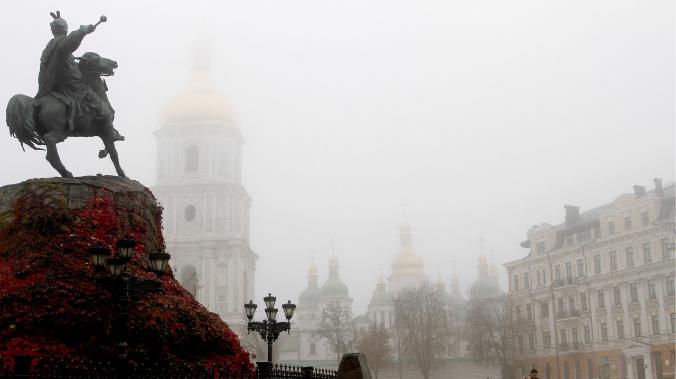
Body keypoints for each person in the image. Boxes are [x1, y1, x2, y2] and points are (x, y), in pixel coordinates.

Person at [36, 11, 123, 141]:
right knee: (102, 108)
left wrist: (59, 21)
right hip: (73, 85)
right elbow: (71, 41)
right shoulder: (61, 43)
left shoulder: (50, 45)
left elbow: (65, 63)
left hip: (56, 85)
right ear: (64, 29)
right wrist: (84, 30)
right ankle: (108, 131)